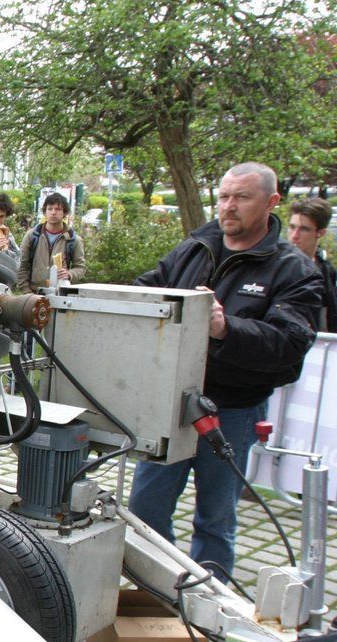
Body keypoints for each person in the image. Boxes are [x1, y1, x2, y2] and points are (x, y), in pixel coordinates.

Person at [129, 162, 322, 580]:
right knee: (143, 510)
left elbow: (290, 345)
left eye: (242, 198)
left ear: (272, 202)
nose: (228, 207)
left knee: (215, 519)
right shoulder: (198, 245)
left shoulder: (294, 270)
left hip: (231, 411)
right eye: (223, 196)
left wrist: (224, 327)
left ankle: (209, 614)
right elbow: (151, 283)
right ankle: (164, 591)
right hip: (171, 402)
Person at [16, 192, 86, 293]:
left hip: (60, 294)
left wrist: (69, 274)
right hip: (34, 293)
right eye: (50, 209)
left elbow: (80, 268)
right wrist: (27, 292)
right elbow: (21, 265)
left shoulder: (73, 239)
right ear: (45, 212)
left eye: (58, 209)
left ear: (65, 213)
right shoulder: (32, 236)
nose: (53, 212)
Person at [287, 197, 335, 332]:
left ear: (320, 233)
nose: (294, 235)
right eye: (292, 227)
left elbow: (327, 314)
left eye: (304, 229)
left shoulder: (325, 269)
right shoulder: (276, 264)